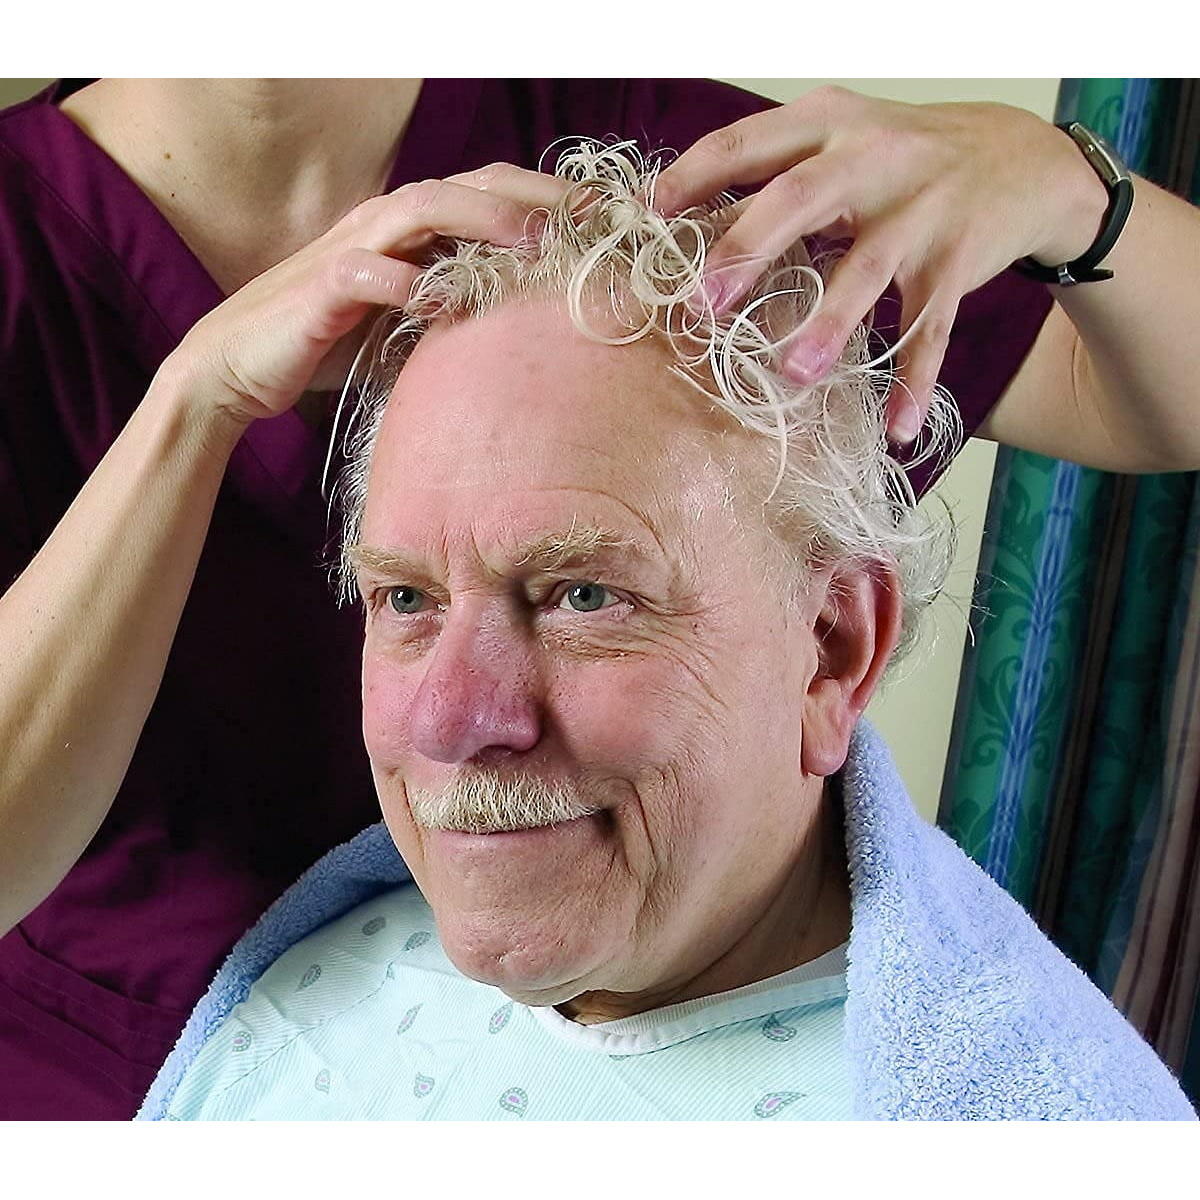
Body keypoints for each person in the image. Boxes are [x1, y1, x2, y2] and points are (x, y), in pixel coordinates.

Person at [0, 77, 1192, 1120]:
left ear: (833, 646)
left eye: (582, 590)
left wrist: (1069, 189)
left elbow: (1134, 394)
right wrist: (190, 403)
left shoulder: (667, 171)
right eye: (401, 596)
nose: (450, 716)